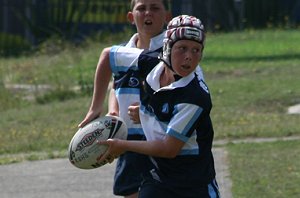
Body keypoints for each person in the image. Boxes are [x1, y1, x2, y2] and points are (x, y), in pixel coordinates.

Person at [99, 15, 220, 197]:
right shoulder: (149, 62)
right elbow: (108, 56)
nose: (189, 56)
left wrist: (122, 145)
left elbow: (168, 149)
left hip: (194, 184)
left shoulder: (195, 95)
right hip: (158, 178)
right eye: (182, 48)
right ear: (167, 48)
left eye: (196, 50)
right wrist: (96, 108)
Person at [78, 1, 173, 197]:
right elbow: (117, 85)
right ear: (131, 17)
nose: (148, 13)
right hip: (128, 139)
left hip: (158, 139)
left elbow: (177, 94)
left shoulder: (173, 52)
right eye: (141, 8)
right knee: (130, 191)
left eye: (155, 8)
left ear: (167, 17)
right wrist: (112, 111)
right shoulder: (122, 52)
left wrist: (148, 112)